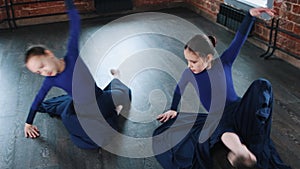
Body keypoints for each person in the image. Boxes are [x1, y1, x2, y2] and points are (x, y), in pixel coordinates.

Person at [154, 7, 291, 169]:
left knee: (262, 84)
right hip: (217, 116)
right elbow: (179, 89)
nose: (189, 65)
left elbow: (239, 39)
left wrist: (250, 16)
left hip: (238, 108)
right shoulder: (188, 74)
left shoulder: (224, 62)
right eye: (187, 61)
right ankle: (240, 151)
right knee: (223, 130)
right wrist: (173, 109)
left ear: (209, 57)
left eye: (194, 62)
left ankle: (254, 127)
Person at [24, 0, 131, 149]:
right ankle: (112, 113)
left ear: (48, 54)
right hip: (82, 111)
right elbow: (37, 100)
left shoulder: (72, 55)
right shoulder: (50, 80)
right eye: (38, 72)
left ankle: (115, 81)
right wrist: (28, 123)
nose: (44, 72)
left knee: (125, 94)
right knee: (86, 137)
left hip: (100, 99)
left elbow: (75, 22)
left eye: (42, 66)